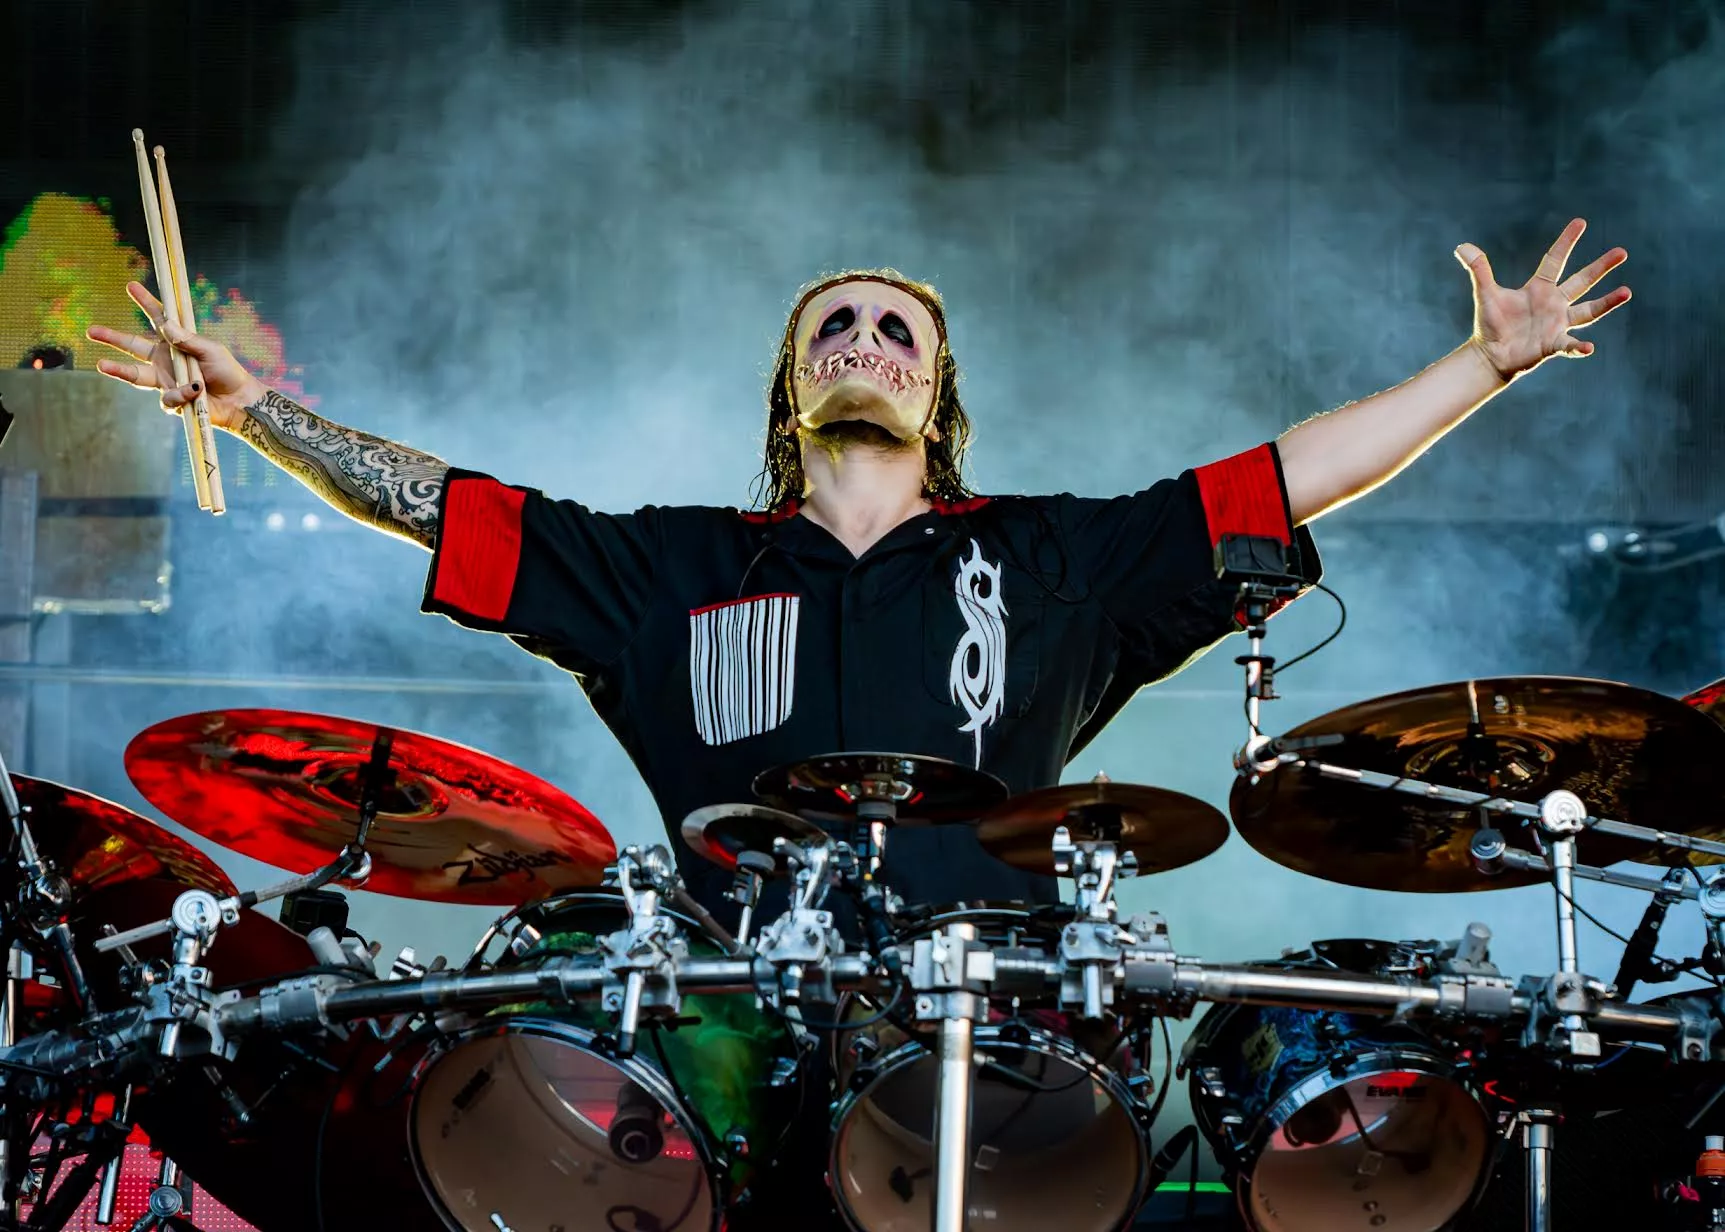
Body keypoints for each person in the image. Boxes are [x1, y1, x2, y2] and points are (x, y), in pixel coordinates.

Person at [90, 219, 1627, 1225]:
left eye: (899, 329)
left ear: (938, 394)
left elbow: (1288, 478)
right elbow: (441, 510)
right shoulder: (669, 571)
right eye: (836, 323)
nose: (867, 338)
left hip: (995, 1053)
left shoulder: (1054, 561)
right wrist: (251, 410)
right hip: (725, 1051)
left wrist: (1482, 366)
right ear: (790, 388)